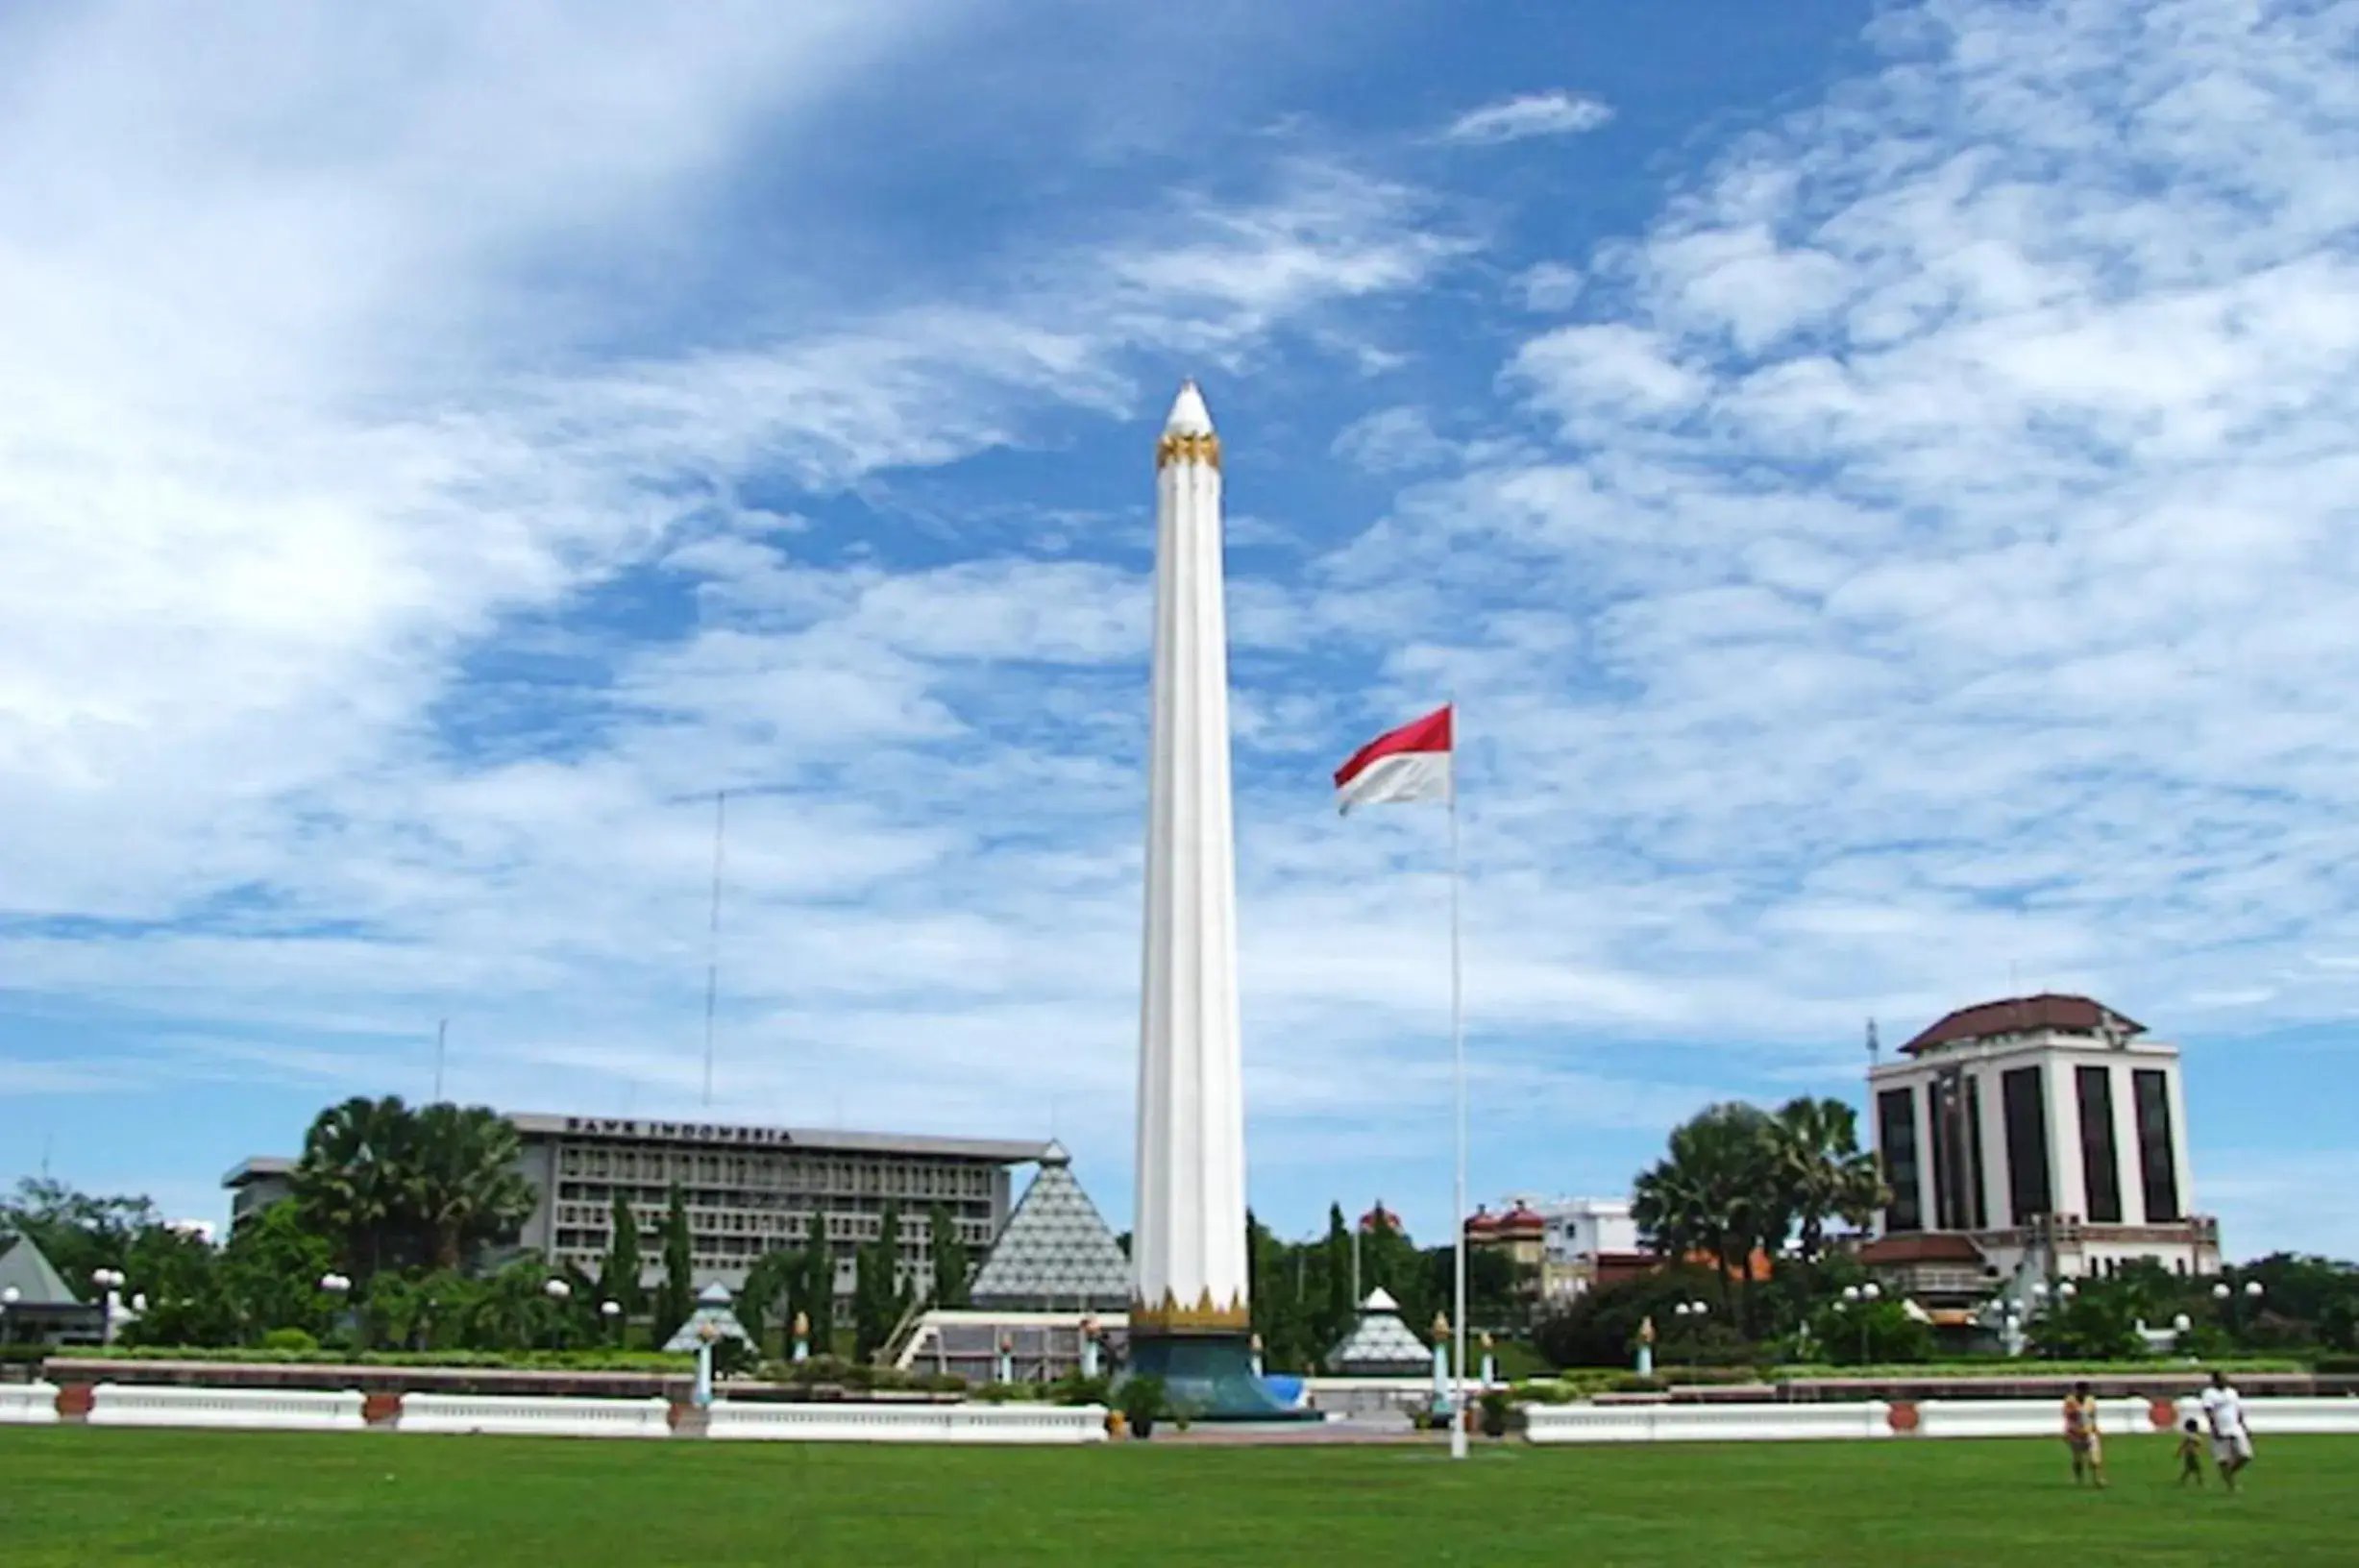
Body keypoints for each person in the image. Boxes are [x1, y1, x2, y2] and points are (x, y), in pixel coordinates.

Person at [2199, 1369, 2255, 1490]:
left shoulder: (2232, 1393)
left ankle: (2229, 1474)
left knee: (2245, 1455)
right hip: (2220, 1428)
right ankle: (2231, 1485)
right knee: (2223, 1459)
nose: (2224, 1380)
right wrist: (2214, 1427)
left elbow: (2238, 1410)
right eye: (2221, 1378)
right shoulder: (2209, 1393)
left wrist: (2244, 1426)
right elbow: (2208, 1411)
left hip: (2235, 1427)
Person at [2062, 1380, 2105, 1488]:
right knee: (2078, 1458)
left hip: (2089, 1431)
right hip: (2075, 1433)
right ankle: (2078, 1478)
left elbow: (2093, 1415)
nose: (2083, 1393)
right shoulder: (2070, 1401)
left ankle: (2097, 1478)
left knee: (2094, 1456)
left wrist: (2095, 1428)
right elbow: (2068, 1417)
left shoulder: (2090, 1401)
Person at [2176, 1416, 2206, 1487]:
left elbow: (2183, 1445)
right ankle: (2200, 1482)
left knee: (2189, 1469)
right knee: (2197, 1469)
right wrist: (2179, 1452)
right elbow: (2184, 1444)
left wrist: (2179, 1452)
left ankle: (2182, 1480)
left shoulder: (2191, 1436)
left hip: (2190, 1455)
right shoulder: (2191, 1436)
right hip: (2192, 1455)